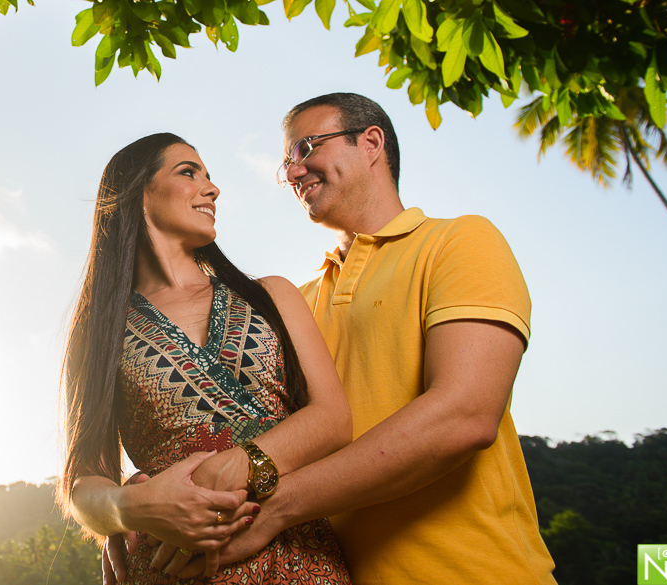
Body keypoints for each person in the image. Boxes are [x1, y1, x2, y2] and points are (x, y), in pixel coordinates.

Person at [135, 93, 554, 584]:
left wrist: (279, 509)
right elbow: (250, 435)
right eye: (287, 161)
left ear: (371, 142)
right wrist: (147, 512)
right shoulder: (291, 303)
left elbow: (464, 416)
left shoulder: (458, 242)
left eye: (307, 147)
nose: (293, 172)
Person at [61, 133, 353, 584]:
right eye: (188, 172)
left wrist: (241, 464)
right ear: (139, 190)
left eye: (210, 176)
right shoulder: (100, 331)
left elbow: (333, 420)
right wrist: (130, 508)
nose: (212, 188)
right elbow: (84, 481)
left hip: (297, 549)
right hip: (175, 565)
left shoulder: (272, 295)